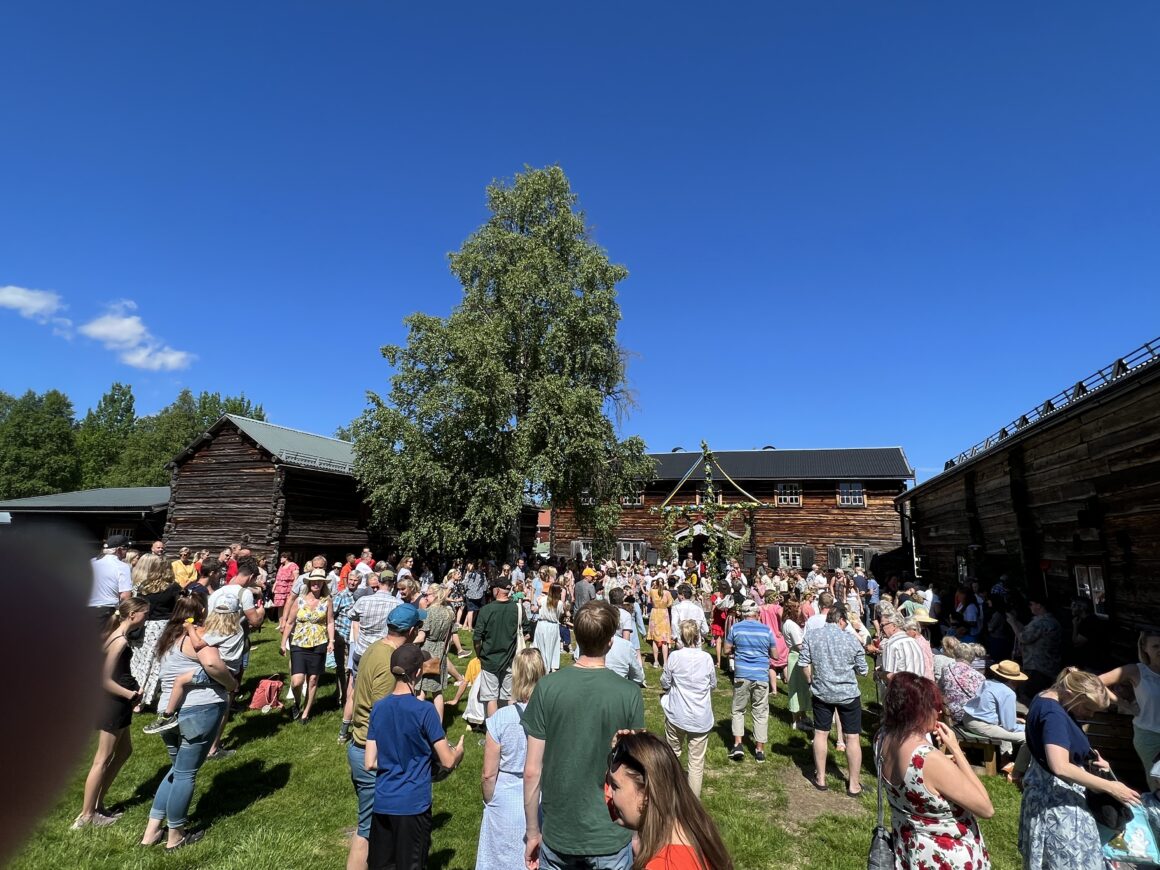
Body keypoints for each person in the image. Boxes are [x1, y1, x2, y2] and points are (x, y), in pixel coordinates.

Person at [523, 600, 645, 870]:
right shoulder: (628, 693)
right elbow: (639, 770)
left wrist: (533, 831)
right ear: (611, 641)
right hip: (610, 832)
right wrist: (639, 832)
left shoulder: (547, 687)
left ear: (576, 637)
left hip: (560, 832)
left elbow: (532, 769)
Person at [140, 594, 239, 851]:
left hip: (168, 713)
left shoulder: (167, 639)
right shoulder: (196, 637)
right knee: (185, 774)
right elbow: (210, 662)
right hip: (199, 710)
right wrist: (231, 684)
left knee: (176, 771)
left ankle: (151, 831)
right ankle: (175, 836)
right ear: (202, 611)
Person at [1019, 667, 1141, 869]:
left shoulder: (1049, 696)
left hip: (1046, 793)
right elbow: (1060, 766)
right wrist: (1111, 787)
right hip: (1057, 803)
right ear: (1071, 694)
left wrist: (1088, 757)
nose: (1090, 715)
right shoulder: (1054, 715)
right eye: (1088, 708)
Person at [365, 643, 465, 870]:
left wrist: (395, 760)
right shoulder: (425, 711)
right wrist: (458, 752)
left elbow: (369, 762)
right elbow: (447, 761)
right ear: (418, 672)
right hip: (413, 805)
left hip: (383, 802)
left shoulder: (378, 708)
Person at [878, 673, 994, 869]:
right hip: (946, 857)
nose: (938, 712)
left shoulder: (881, 738)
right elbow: (986, 808)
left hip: (911, 851)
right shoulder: (928, 759)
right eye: (935, 706)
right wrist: (956, 750)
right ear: (919, 711)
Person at [346, 602, 427, 870]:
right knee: (367, 830)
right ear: (413, 630)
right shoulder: (388, 663)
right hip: (372, 753)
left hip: (360, 745)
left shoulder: (375, 648)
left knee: (376, 830)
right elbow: (385, 714)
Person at [604, 730, 733, 870]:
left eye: (615, 787)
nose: (609, 794)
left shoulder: (664, 865)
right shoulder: (691, 826)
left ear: (646, 795)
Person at [74, 596, 149, 829]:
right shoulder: (119, 641)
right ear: (132, 615)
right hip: (114, 703)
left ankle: (98, 804)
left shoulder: (118, 636)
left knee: (125, 751)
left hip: (119, 701)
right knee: (102, 759)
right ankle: (87, 815)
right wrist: (130, 695)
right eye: (145, 613)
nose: (147, 618)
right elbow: (104, 679)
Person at [477, 649, 546, 870]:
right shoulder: (550, 717)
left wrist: (490, 800)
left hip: (505, 798)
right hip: (539, 797)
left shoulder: (500, 719)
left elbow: (488, 774)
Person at [143, 595, 246, 734]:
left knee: (180, 680)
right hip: (232, 668)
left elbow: (201, 649)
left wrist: (191, 629)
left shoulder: (218, 632)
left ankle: (168, 715)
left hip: (223, 669)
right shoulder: (236, 629)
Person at [799, 604, 868, 794]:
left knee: (821, 733)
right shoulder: (851, 640)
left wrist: (811, 681)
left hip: (822, 692)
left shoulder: (812, 636)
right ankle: (854, 784)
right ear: (842, 620)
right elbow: (863, 670)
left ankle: (820, 777)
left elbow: (804, 663)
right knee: (852, 737)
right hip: (848, 694)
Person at [660, 619, 716, 797]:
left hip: (678, 713)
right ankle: (693, 802)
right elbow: (712, 684)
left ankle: (671, 792)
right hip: (699, 716)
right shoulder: (706, 658)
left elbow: (664, 681)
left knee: (673, 753)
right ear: (698, 636)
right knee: (696, 763)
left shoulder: (675, 657)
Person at [1100, 630, 1160, 780]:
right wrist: (1123, 704)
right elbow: (1094, 682)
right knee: (1158, 783)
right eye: (1155, 646)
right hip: (1150, 736)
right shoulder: (1137, 671)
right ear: (1144, 648)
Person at [280, 568, 335, 723]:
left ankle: (306, 712)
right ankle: (297, 703)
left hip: (319, 643)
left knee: (313, 680)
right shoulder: (300, 600)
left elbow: (330, 621)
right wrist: (283, 643)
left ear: (323, 584)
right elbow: (290, 622)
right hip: (299, 642)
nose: (316, 584)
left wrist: (331, 641)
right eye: (314, 581)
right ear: (309, 583)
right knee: (296, 681)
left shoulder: (327, 601)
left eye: (319, 581)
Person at [724, 599, 776, 763]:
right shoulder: (766, 630)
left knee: (738, 710)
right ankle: (759, 749)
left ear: (742, 613)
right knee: (760, 712)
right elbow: (775, 655)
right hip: (760, 674)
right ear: (757, 614)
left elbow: (726, 649)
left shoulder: (735, 628)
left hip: (742, 674)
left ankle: (738, 744)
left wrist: (736, 652)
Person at [130, 553, 182, 711]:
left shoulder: (141, 587)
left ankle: (134, 696)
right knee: (155, 664)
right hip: (163, 627)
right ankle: (145, 697)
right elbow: (177, 609)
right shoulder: (172, 587)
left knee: (139, 662)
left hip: (143, 626)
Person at [474, 574, 520, 719]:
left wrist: (478, 654)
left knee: (491, 698)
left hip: (489, 660)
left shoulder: (486, 610)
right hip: (510, 659)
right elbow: (526, 633)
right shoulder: (517, 609)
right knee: (510, 697)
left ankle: (492, 735)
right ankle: (512, 731)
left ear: (497, 590)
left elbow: (476, 638)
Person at [961, 660, 1028, 757]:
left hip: (968, 718)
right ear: (1013, 680)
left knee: (1002, 728)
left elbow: (987, 709)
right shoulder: (1008, 693)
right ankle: (1018, 768)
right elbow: (1010, 727)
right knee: (1028, 737)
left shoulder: (987, 682)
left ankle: (1005, 758)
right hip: (982, 725)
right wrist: (1027, 728)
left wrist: (1016, 719)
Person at [1009, 594, 1063, 697]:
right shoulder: (1050, 621)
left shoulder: (1041, 622)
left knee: (1033, 695)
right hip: (1049, 666)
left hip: (1037, 666)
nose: (1030, 607)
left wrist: (1012, 623)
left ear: (1039, 605)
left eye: (1031, 604)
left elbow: (1024, 637)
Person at [417, 585, 456, 721]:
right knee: (437, 691)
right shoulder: (450, 612)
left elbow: (422, 637)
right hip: (441, 651)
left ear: (435, 595)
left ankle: (417, 722)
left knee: (421, 689)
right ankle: (439, 725)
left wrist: (406, 644)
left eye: (427, 594)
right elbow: (450, 636)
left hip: (427, 651)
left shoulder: (428, 612)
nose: (425, 597)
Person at [90, 535, 133, 628]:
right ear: (119, 550)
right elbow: (125, 596)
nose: (127, 553)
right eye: (126, 549)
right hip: (105, 611)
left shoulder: (91, 562)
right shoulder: (123, 567)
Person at [781, 599, 812, 731]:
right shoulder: (791, 625)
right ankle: (796, 720)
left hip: (796, 656)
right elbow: (799, 645)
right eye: (798, 608)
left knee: (802, 688)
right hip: (797, 656)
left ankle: (803, 715)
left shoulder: (790, 623)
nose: (800, 610)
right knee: (796, 688)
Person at [939, 639, 986, 724]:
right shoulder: (980, 677)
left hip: (950, 712)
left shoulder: (946, 668)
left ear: (956, 654)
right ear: (972, 657)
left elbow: (941, 688)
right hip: (970, 716)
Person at [533, 581, 566, 673]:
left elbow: (538, 602)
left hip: (542, 624)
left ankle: (544, 666)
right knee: (551, 646)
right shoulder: (559, 603)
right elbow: (560, 614)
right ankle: (550, 666)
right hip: (552, 625)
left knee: (541, 646)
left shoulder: (542, 600)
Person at [670, 584, 709, 648]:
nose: (677, 597)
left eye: (678, 594)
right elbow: (705, 629)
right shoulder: (698, 609)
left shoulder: (676, 608)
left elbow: (674, 623)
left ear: (682, 595)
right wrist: (702, 635)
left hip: (682, 641)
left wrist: (676, 637)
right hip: (696, 642)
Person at [647, 578, 674, 668]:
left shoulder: (652, 591)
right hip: (663, 614)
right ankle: (665, 662)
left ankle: (656, 661)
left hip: (655, 613)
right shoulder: (667, 593)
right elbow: (670, 603)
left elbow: (648, 601)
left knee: (655, 639)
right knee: (664, 640)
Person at [271, 553, 299, 624]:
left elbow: (296, 577)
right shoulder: (281, 566)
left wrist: (293, 588)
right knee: (280, 606)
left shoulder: (293, 565)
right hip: (279, 589)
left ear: (286, 558)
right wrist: (274, 586)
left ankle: (287, 622)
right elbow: (277, 578)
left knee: (288, 605)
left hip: (288, 588)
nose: (280, 559)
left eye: (282, 557)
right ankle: (281, 623)